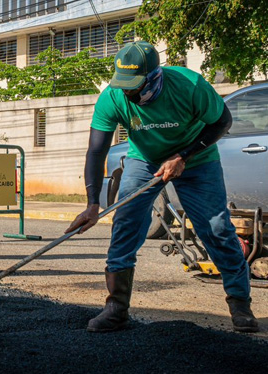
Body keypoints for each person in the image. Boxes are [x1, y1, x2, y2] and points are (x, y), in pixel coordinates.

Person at [66, 41, 258, 333]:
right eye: (123, 86)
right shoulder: (113, 97)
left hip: (198, 159)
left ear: (154, 77)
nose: (127, 93)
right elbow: (96, 150)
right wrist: (93, 204)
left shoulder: (189, 85)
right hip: (144, 159)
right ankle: (116, 309)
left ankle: (240, 304)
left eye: (134, 86)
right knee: (126, 223)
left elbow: (222, 122)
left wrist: (182, 157)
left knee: (216, 229)